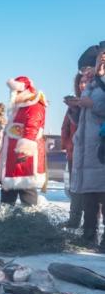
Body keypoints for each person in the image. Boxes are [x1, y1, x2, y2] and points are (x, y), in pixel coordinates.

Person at [70, 46, 105, 249]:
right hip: (88, 151)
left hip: (101, 151)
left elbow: (97, 108)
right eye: (82, 69)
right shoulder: (91, 86)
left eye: (87, 67)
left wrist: (92, 105)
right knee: (90, 199)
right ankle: (88, 237)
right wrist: (75, 109)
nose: (85, 72)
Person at [0, 76, 47, 207]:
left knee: (26, 190)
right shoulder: (18, 108)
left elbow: (32, 127)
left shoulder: (33, 106)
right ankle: (4, 222)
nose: (13, 94)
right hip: (13, 159)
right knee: (8, 194)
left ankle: (30, 222)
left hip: (24, 160)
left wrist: (25, 150)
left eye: (15, 91)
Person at [61, 68, 95, 228]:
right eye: (80, 82)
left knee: (91, 192)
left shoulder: (95, 101)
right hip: (74, 153)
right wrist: (68, 145)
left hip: (91, 153)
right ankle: (74, 220)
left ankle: (91, 226)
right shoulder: (75, 102)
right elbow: (65, 128)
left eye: (86, 82)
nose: (83, 85)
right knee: (75, 189)